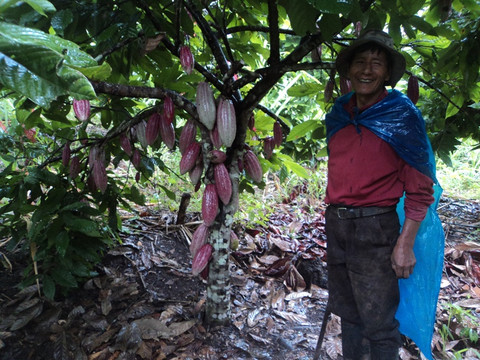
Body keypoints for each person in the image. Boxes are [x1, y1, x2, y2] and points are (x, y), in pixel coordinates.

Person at [323, 30, 439, 360]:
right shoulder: (338, 114)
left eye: (376, 63)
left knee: (379, 324)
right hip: (338, 224)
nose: (367, 70)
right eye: (360, 62)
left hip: (375, 228)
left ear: (387, 73)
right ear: (349, 70)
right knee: (349, 316)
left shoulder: (401, 115)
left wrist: (404, 244)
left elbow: (420, 189)